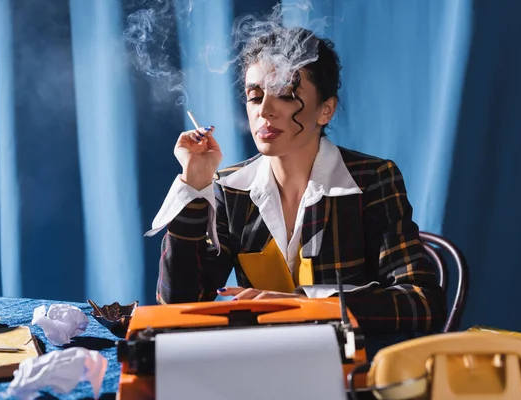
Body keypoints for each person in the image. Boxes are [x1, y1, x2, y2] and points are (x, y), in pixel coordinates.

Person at [147, 26, 446, 336]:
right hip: (256, 366)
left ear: (325, 110)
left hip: (345, 372)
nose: (264, 111)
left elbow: (422, 303)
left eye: (285, 95)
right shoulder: (230, 189)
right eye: (255, 97)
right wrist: (194, 183)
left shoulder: (372, 180)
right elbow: (179, 306)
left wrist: (303, 306)